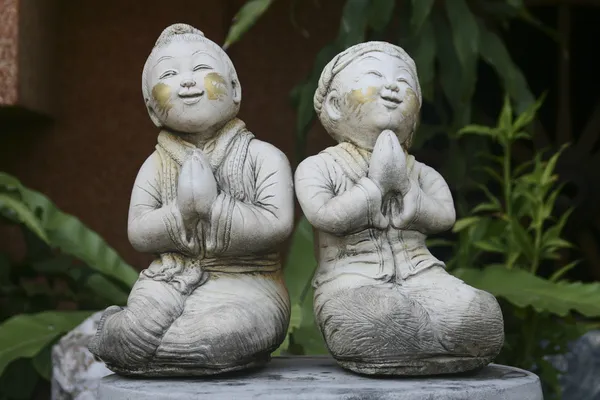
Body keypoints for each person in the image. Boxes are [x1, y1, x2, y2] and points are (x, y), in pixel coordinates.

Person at [89, 24, 294, 376]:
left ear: (235, 90)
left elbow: (278, 224)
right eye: (169, 74)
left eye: (201, 69)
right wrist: (181, 213)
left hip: (248, 285)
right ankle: (142, 343)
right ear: (153, 110)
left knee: (216, 336)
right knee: (135, 329)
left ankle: (148, 347)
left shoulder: (264, 157)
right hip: (167, 281)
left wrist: (214, 208)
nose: (187, 81)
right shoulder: (156, 166)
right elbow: (139, 231)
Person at [294, 41, 504, 375]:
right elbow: (323, 215)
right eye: (374, 77)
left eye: (404, 82)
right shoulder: (318, 168)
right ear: (334, 105)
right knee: (382, 317)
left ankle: (430, 338)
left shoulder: (420, 172)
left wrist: (410, 195)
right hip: (352, 280)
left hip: (423, 275)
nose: (392, 87)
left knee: (481, 315)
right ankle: (411, 340)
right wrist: (372, 188)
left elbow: (445, 217)